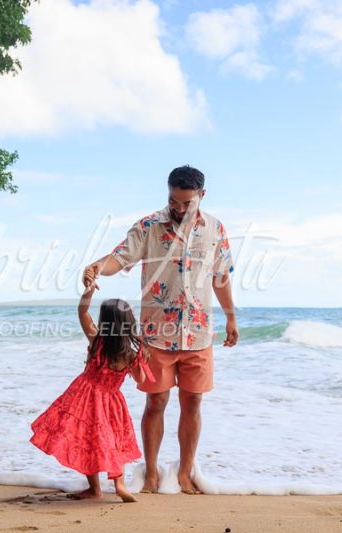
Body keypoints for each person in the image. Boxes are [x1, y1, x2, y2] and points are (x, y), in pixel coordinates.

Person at [81, 165, 239, 495]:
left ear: (202, 196)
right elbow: (119, 258)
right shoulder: (149, 226)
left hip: (198, 333)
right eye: (173, 201)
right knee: (156, 402)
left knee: (193, 402)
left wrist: (231, 318)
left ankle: (184, 473)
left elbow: (221, 278)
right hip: (155, 336)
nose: (179, 209)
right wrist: (98, 266)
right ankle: (151, 473)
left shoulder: (215, 229)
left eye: (186, 203)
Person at [29, 282, 155, 502]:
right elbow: (140, 380)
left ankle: (95, 489)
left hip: (85, 397)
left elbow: (82, 312)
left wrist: (87, 293)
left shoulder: (97, 340)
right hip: (112, 401)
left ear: (105, 321)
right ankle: (120, 485)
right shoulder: (131, 353)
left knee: (89, 440)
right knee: (114, 440)